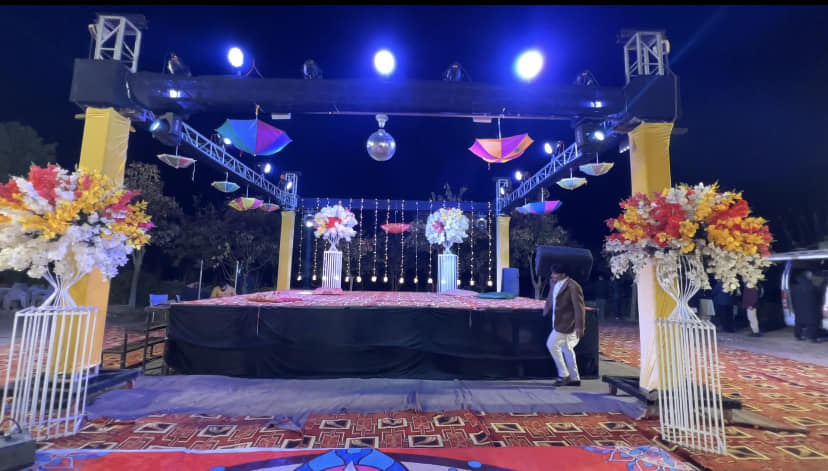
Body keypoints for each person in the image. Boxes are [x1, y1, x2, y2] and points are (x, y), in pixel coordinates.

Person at [542, 264, 586, 387]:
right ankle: (575, 377)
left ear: (563, 274)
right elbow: (552, 297)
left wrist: (579, 326)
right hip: (558, 321)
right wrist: (546, 309)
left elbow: (579, 307)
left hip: (567, 323)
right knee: (566, 348)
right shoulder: (555, 282)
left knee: (551, 344)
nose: (552, 275)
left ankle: (564, 375)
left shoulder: (573, 286)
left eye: (555, 273)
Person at [791, 270, 823, 343]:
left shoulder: (794, 287)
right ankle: (811, 338)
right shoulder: (812, 287)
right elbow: (818, 298)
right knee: (812, 323)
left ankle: (798, 336)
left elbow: (792, 298)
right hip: (811, 308)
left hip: (799, 308)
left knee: (798, 322)